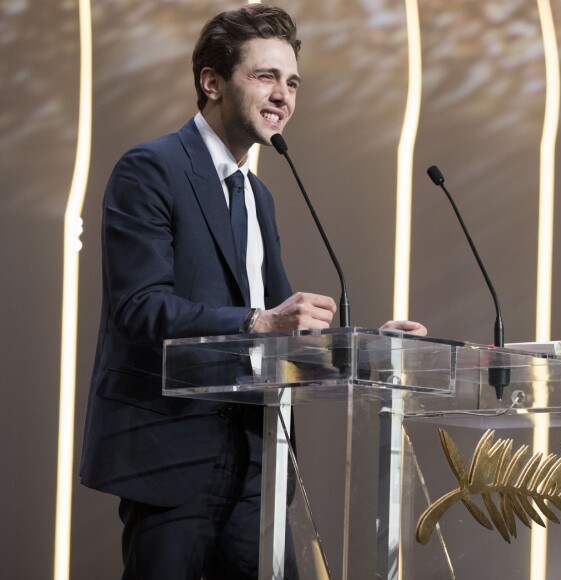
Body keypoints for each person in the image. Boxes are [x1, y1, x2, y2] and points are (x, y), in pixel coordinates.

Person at [80, 4, 427, 579]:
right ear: (211, 83)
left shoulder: (256, 195)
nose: (283, 95)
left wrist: (367, 346)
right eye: (265, 76)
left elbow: (287, 334)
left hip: (254, 465)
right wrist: (258, 324)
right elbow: (139, 308)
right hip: (173, 459)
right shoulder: (150, 169)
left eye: (292, 83)